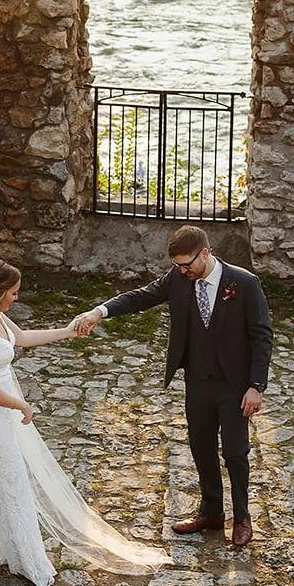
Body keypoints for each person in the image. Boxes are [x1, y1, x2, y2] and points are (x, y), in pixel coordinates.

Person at [0, 259, 171, 586]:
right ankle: (26, 558)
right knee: (12, 476)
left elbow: (23, 337)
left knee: (1, 473)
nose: (16, 298)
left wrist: (69, 331)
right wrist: (21, 404)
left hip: (0, 403)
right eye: (13, 293)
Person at [72, 226, 272, 550]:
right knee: (201, 447)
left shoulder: (244, 283)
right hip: (197, 381)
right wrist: (99, 311)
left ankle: (242, 518)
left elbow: (262, 336)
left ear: (205, 253)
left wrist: (256, 386)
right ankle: (211, 512)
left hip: (234, 385)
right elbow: (140, 297)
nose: (182, 271)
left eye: (186, 264)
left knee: (235, 453)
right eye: (177, 265)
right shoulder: (178, 279)